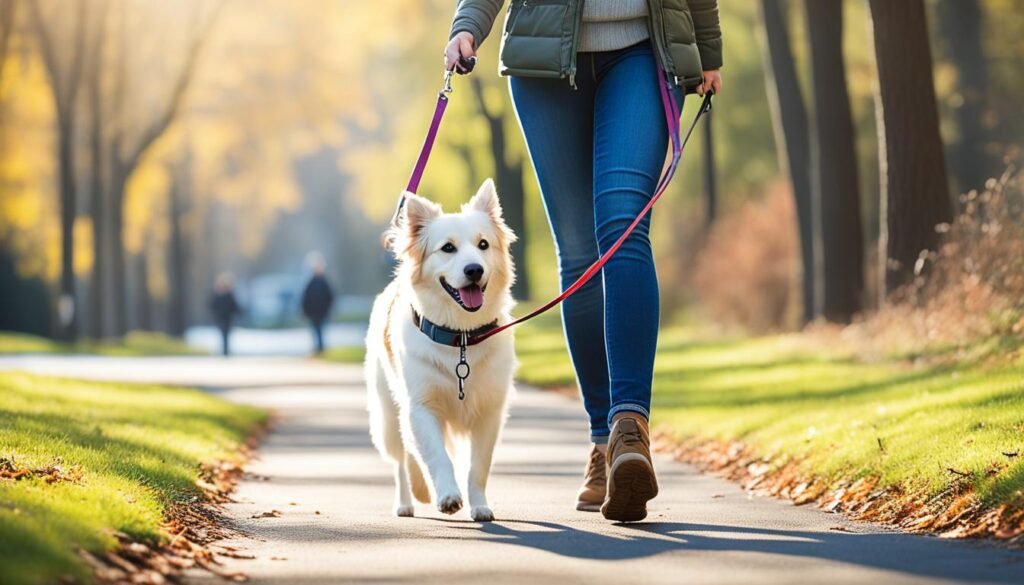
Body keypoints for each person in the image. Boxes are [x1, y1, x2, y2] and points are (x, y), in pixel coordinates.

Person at [445, 0, 723, 522]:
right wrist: (468, 27)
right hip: (546, 59)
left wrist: (707, 49)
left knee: (623, 229)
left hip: (645, 50)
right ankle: (602, 443)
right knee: (578, 254)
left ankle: (629, 428)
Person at [301, 256, 335, 355]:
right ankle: (317, 348)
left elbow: (330, 297)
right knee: (315, 330)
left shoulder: (325, 282)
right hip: (313, 312)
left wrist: (328, 308)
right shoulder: (310, 283)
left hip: (322, 312)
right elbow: (305, 298)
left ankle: (321, 348)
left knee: (320, 330)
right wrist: (305, 310)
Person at [209, 273, 242, 356]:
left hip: (228, 318)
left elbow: (234, 305)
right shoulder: (217, 295)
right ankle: (224, 350)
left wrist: (237, 312)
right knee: (222, 333)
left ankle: (226, 350)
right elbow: (212, 305)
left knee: (226, 334)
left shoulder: (230, 295)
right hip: (220, 318)